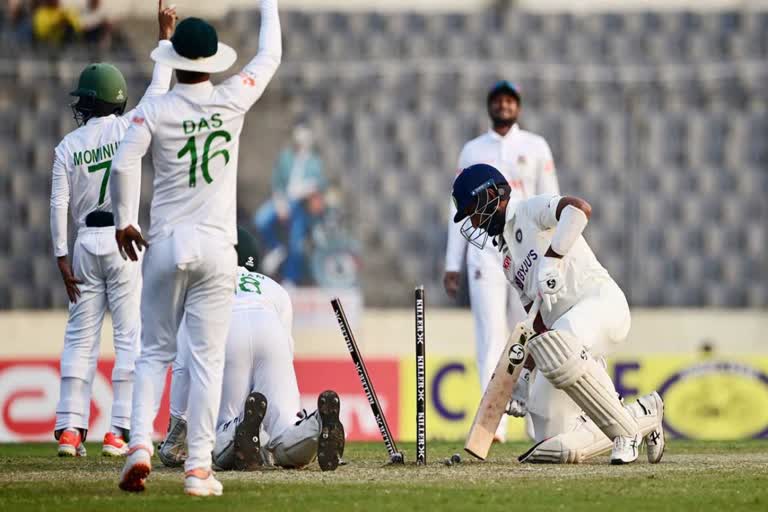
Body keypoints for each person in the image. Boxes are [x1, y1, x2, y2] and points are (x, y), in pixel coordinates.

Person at [110, 0, 281, 497]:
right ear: (213, 62)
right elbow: (269, 54)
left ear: (173, 59)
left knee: (154, 354)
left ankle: (139, 446)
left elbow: (125, 160)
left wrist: (125, 218)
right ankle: (198, 470)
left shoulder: (155, 111)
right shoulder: (233, 98)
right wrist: (268, 3)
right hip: (217, 248)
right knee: (206, 361)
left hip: (163, 244)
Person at [451, 164, 665, 465]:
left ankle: (626, 433)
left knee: (560, 341)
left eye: (473, 211)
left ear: (490, 194)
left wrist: (552, 259)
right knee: (550, 432)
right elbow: (537, 326)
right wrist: (524, 374)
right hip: (566, 342)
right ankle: (643, 414)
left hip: (603, 305)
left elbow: (579, 209)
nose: (474, 221)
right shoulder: (508, 260)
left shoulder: (530, 209)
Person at [48, 1, 176, 458]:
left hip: (83, 244)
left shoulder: (68, 146)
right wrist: (164, 39)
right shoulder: (128, 128)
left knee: (79, 338)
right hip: (125, 242)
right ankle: (118, 432)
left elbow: (58, 203)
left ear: (92, 102)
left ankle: (68, 430)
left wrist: (62, 256)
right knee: (129, 338)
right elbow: (160, 91)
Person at [158, 228, 345, 472]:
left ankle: (239, 429)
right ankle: (317, 425)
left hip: (225, 328)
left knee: (219, 431)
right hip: (270, 329)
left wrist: (176, 431)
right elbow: (286, 353)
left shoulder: (198, 287)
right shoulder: (273, 287)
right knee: (285, 432)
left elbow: (182, 364)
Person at [444, 80, 559, 441]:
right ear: (490, 107)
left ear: (518, 107)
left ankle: (535, 419)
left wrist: (554, 253)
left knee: (528, 332)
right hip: (485, 253)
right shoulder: (472, 150)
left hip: (526, 248)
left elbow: (551, 199)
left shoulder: (536, 146)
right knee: (489, 335)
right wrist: (453, 262)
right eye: (498, 101)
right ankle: (493, 424)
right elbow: (457, 209)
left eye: (510, 101)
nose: (504, 106)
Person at [254, 123, 327, 284]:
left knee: (296, 242)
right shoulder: (286, 157)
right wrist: (280, 203)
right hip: (283, 199)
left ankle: (290, 278)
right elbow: (277, 182)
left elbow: (319, 184)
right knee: (261, 219)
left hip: (302, 205)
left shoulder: (314, 162)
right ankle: (276, 247)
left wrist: (306, 189)